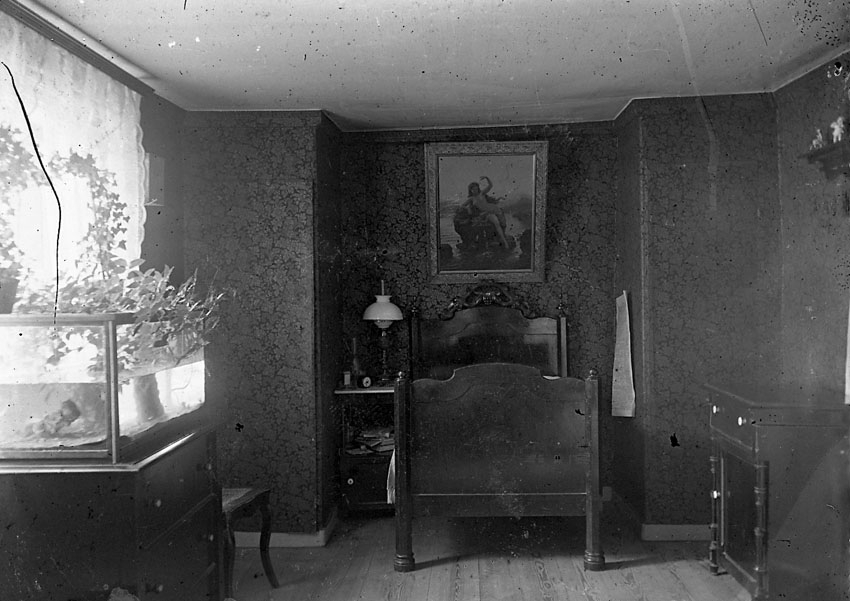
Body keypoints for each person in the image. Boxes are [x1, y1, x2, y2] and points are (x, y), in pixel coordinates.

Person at [466, 176, 510, 248]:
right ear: (470, 190)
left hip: (492, 208)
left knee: (501, 222)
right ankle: (502, 241)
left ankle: (504, 241)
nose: (475, 190)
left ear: (478, 189)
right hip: (486, 213)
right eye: (473, 189)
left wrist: (486, 178)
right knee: (496, 222)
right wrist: (468, 208)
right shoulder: (471, 198)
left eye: (476, 189)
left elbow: (490, 185)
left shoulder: (482, 193)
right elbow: (462, 206)